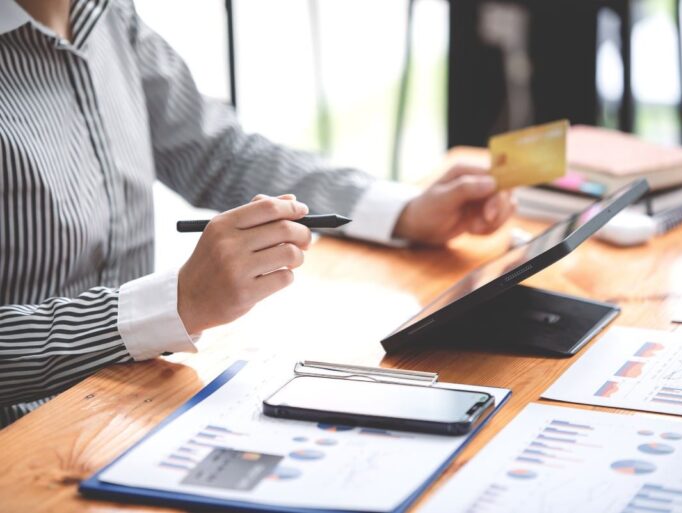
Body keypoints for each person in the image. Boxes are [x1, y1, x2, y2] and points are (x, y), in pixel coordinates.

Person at [0, 0, 513, 428]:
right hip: (24, 440)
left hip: (131, 404)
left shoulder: (106, 14)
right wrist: (175, 303)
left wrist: (403, 211)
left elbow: (215, 152)